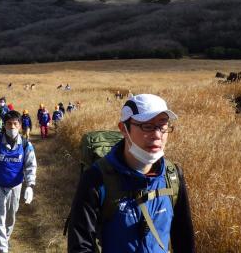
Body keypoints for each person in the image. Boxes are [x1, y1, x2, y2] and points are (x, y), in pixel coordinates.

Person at [67, 94, 195, 253]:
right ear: (124, 129)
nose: (157, 135)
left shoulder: (172, 176)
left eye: (163, 126)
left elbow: (184, 240)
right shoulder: (97, 178)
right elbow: (80, 246)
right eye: (147, 126)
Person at [0, 110, 37, 253]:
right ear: (4, 125)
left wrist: (30, 185)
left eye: (15, 124)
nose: (12, 127)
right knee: (0, 216)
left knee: (11, 216)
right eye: (9, 124)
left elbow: (31, 165)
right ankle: (2, 249)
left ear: (20, 125)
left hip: (15, 185)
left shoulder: (25, 145)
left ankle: (5, 237)